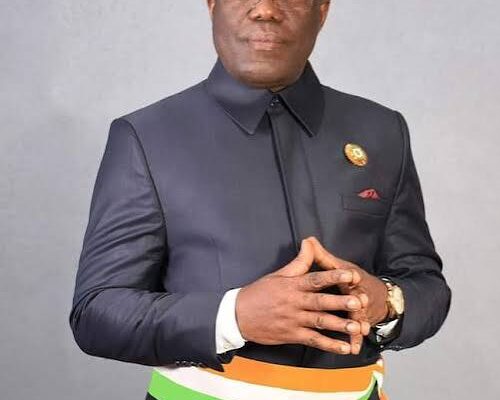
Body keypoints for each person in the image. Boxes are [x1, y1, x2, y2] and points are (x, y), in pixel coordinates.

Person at [68, 1, 452, 399]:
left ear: (322, 10)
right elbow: (96, 312)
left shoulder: (382, 130)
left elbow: (427, 286)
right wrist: (234, 316)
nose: (266, 9)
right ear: (212, 5)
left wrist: (386, 302)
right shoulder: (147, 136)